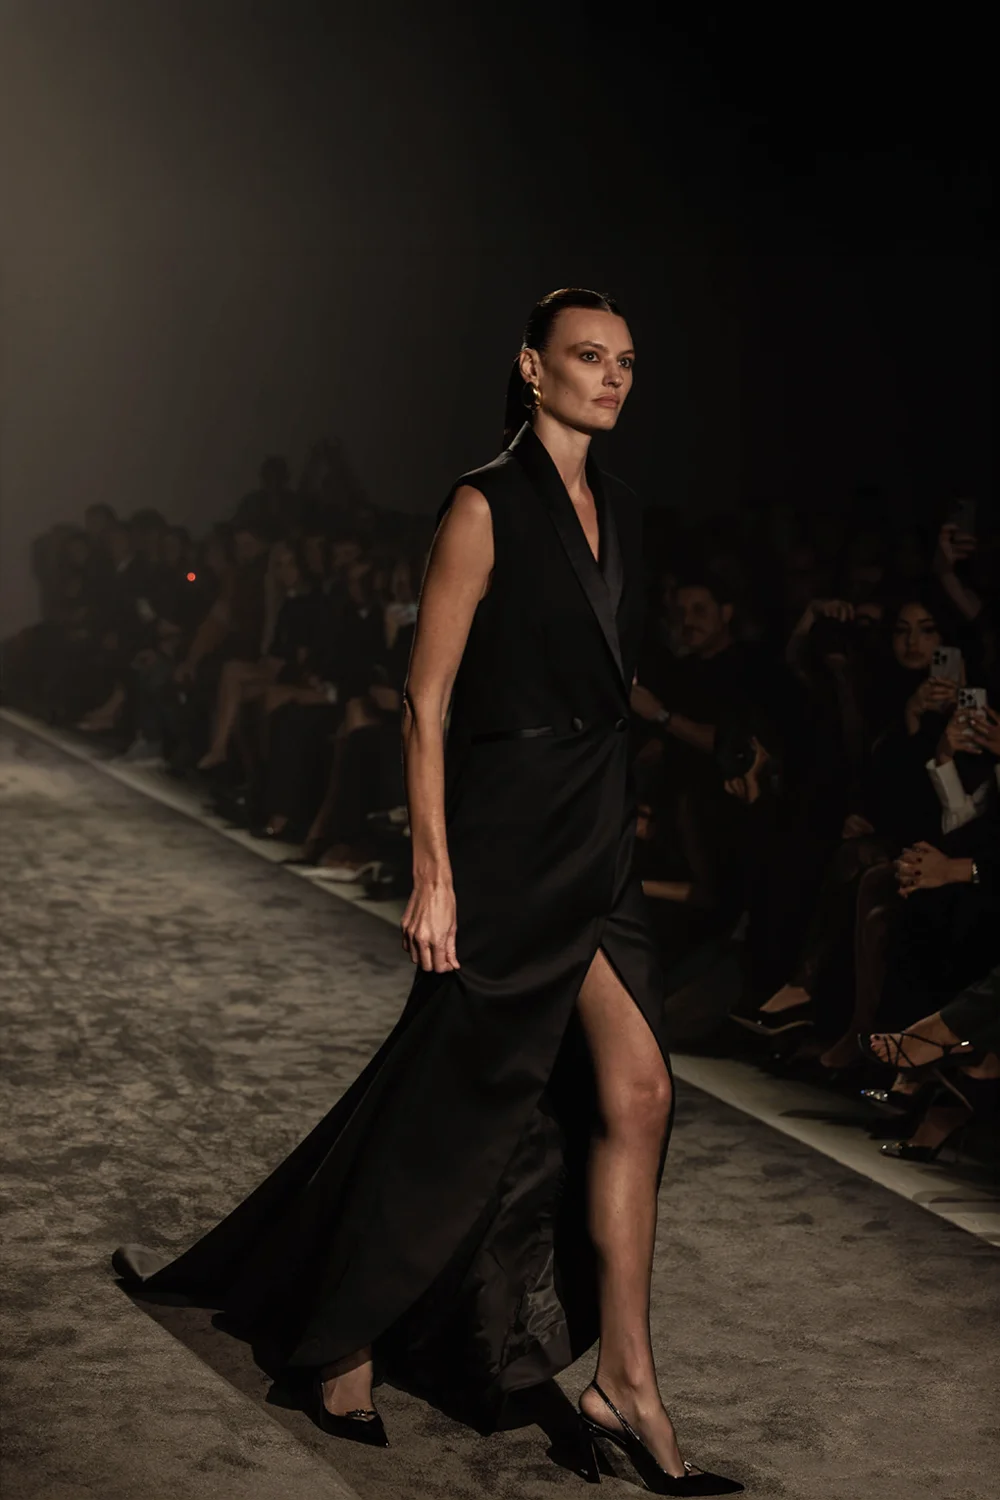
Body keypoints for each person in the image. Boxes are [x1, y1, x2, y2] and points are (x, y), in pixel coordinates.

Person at [112, 288, 743, 1497]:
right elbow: (426, 696)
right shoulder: (482, 501)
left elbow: (605, 678)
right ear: (531, 367)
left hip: (596, 832)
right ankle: (338, 1338)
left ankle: (626, 1380)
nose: (612, 377)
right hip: (509, 838)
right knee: (446, 1107)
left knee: (640, 1089)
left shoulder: (622, 508)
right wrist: (434, 873)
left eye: (624, 360)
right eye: (587, 356)